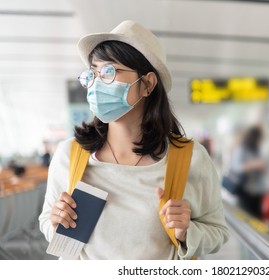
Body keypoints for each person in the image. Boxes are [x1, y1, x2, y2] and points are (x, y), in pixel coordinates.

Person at [39, 20, 229, 260]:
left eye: (109, 71)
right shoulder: (70, 155)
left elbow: (218, 231)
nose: (97, 83)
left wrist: (187, 231)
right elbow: (47, 222)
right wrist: (56, 222)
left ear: (148, 84)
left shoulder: (189, 158)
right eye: (93, 74)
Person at [229, 126, 264, 218]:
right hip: (245, 191)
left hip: (257, 191)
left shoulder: (257, 150)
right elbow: (236, 167)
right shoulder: (241, 149)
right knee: (244, 217)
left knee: (257, 218)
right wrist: (253, 165)